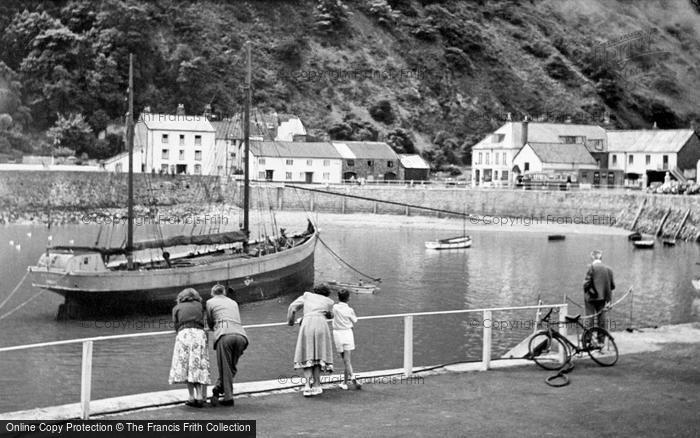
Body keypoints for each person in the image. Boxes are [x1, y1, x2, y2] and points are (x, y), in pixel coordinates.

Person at [287, 284, 334, 397]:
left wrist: (291, 321)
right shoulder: (329, 301)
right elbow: (330, 315)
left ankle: (307, 386)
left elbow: (292, 308)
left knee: (307, 354)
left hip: (307, 324)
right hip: (321, 325)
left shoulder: (307, 296)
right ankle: (317, 385)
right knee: (318, 355)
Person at [206, 284, 249, 407]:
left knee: (225, 367)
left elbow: (210, 321)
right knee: (231, 367)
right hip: (241, 336)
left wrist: (213, 328)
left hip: (224, 335)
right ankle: (218, 388)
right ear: (224, 292)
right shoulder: (233, 303)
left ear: (212, 293)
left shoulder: (210, 302)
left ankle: (228, 398)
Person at [168, 288, 211, 408]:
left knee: (186, 366)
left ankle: (191, 397)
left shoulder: (176, 308)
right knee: (196, 365)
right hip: (199, 334)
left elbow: (176, 325)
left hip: (184, 334)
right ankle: (199, 396)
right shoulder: (199, 305)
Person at [583, 250, 615, 340]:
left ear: (592, 257)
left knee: (590, 318)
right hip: (603, 298)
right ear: (601, 257)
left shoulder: (591, 267)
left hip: (590, 298)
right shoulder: (608, 269)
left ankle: (588, 340)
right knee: (602, 319)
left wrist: (589, 291)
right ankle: (601, 341)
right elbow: (612, 286)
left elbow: (585, 284)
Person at [332, 289, 361, 390]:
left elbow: (330, 314)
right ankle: (347, 381)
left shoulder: (334, 307)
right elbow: (354, 320)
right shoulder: (350, 310)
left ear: (338, 297)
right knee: (347, 360)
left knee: (345, 360)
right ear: (348, 298)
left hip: (338, 334)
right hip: (348, 333)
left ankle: (349, 380)